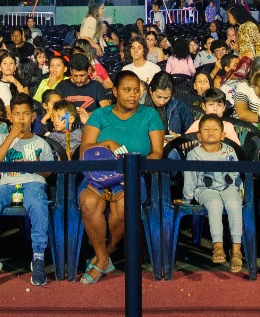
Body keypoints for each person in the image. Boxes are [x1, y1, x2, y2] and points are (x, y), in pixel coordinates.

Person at [76, 70, 166, 284]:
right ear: (115, 91)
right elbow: (84, 151)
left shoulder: (150, 115)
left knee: (125, 205)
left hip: (133, 177)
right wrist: (107, 144)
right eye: (126, 90)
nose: (132, 95)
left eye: (136, 90)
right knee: (88, 202)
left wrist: (135, 171)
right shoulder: (100, 115)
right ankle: (103, 257)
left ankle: (104, 254)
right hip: (98, 177)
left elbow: (157, 153)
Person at [0, 97, 52, 287]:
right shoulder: (3, 138)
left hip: (33, 182)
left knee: (37, 203)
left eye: (26, 114)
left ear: (33, 116)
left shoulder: (41, 142)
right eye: (16, 114)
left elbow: (49, 171)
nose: (21, 119)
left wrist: (35, 167)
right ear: (10, 117)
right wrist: (11, 137)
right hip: (7, 183)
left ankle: (39, 256)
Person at [186, 113, 246, 273]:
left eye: (215, 129)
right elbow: (190, 179)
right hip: (204, 190)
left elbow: (236, 174)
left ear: (223, 134)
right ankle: (217, 245)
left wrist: (238, 190)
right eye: (206, 129)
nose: (210, 132)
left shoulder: (229, 151)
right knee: (215, 203)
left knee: (234, 203)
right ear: (199, 135)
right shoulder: (193, 155)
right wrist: (186, 199)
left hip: (228, 187)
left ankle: (236, 248)